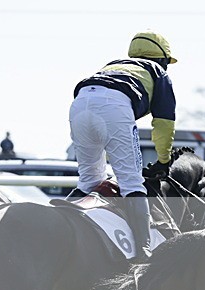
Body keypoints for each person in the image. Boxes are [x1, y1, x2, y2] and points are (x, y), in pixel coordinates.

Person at [68, 30, 177, 259]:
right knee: (131, 182)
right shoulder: (158, 72)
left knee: (89, 180)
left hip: (80, 104)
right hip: (114, 105)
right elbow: (164, 125)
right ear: (162, 59)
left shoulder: (114, 64)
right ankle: (144, 249)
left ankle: (59, 222)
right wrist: (164, 160)